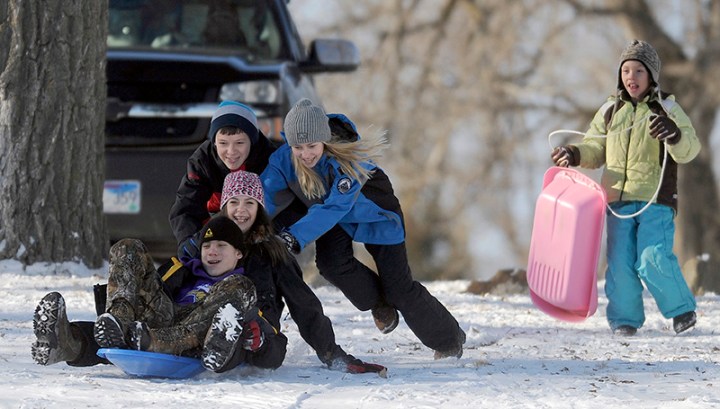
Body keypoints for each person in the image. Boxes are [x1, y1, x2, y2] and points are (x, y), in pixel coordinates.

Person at [260, 98, 466, 359]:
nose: (305, 154)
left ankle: (449, 339)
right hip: (336, 219)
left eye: (312, 146)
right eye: (298, 147)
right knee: (332, 264)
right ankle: (379, 303)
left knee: (399, 289)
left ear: (324, 140)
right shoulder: (284, 160)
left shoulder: (348, 162)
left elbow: (335, 207)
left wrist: (292, 236)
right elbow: (263, 195)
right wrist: (239, 224)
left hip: (375, 214)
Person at [550, 40, 700, 336]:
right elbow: (595, 146)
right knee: (620, 263)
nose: (631, 77)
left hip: (655, 199)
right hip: (617, 200)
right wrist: (574, 153)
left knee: (651, 257)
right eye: (626, 70)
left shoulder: (667, 107)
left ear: (652, 76)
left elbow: (690, 148)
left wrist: (673, 134)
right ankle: (625, 320)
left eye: (639, 71)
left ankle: (681, 310)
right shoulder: (610, 110)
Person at [212, 169, 386, 373]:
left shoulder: (273, 252)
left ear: (259, 208)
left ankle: (250, 339)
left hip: (261, 331)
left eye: (249, 203)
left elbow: (303, 303)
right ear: (224, 206)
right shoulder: (207, 244)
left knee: (272, 353)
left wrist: (331, 353)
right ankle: (211, 342)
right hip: (212, 321)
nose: (241, 210)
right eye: (234, 202)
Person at [168, 100, 277, 259]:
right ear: (214, 142)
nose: (231, 151)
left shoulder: (270, 159)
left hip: (259, 225)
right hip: (218, 221)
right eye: (223, 143)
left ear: (252, 142)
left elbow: (284, 202)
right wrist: (188, 240)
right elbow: (186, 207)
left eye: (239, 143)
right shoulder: (203, 162)